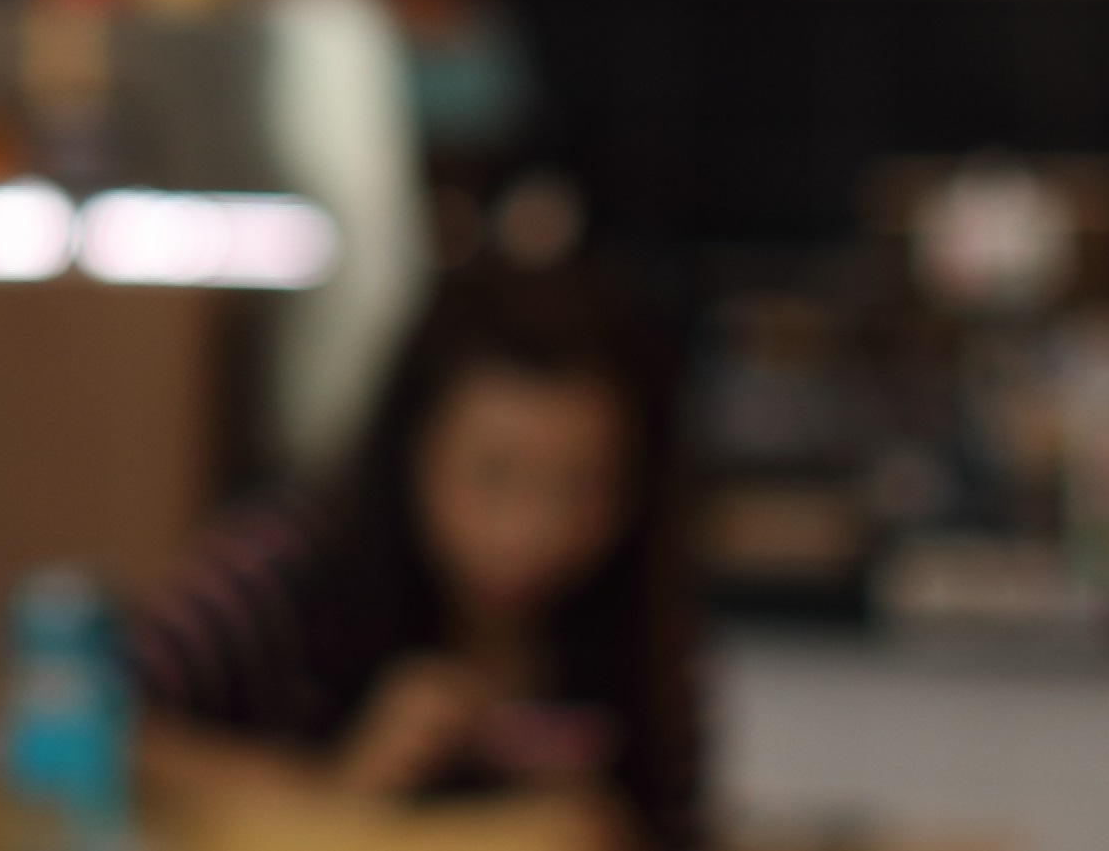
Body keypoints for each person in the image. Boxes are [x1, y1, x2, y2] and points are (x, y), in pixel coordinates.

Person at [127, 271, 699, 850]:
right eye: (494, 475)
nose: (532, 528)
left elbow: (679, 817)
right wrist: (332, 787)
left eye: (581, 485)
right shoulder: (284, 565)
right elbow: (87, 722)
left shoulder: (639, 612)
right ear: (411, 449)